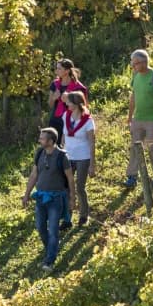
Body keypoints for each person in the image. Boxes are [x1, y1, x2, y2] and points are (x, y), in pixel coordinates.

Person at [22, 127, 75, 270]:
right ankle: (51, 249)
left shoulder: (62, 157)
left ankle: (49, 261)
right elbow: (34, 175)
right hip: (41, 197)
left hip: (56, 199)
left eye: (42, 138)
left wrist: (72, 199)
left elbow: (70, 179)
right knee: (40, 227)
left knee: (53, 229)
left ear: (51, 141)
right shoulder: (40, 153)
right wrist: (26, 194)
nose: (39, 140)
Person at [125, 49, 153, 189]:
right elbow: (133, 97)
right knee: (135, 147)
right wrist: (130, 117)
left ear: (144, 62)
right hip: (138, 119)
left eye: (135, 63)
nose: (133, 66)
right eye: (132, 63)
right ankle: (132, 176)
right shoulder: (136, 75)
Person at [61, 91, 97, 226]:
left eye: (69, 102)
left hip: (83, 157)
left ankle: (83, 215)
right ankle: (67, 218)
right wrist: (61, 150)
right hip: (68, 157)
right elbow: (64, 135)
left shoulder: (88, 121)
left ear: (76, 104)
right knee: (66, 187)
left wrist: (92, 164)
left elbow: (92, 143)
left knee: (80, 187)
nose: (67, 104)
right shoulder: (66, 116)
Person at [47, 59, 89, 147]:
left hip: (70, 121)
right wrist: (54, 98)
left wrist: (69, 100)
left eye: (59, 69)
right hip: (55, 120)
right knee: (52, 146)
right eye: (56, 68)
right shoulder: (55, 84)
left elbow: (84, 108)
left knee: (66, 147)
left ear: (67, 71)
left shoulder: (78, 87)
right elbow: (50, 105)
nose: (56, 71)